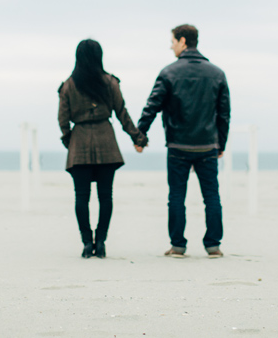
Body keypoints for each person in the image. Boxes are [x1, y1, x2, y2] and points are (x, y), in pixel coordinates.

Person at [136, 24, 230, 258]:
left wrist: (140, 134)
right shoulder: (216, 73)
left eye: (173, 41)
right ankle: (213, 246)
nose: (171, 46)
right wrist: (222, 144)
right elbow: (224, 113)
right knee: (212, 196)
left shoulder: (169, 72)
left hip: (178, 145)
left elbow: (152, 106)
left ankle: (178, 246)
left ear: (183, 41)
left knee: (177, 196)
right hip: (208, 144)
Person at [58, 39, 147, 258]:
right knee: (106, 196)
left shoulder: (68, 85)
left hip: (79, 142)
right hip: (106, 141)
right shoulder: (110, 82)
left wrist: (70, 140)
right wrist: (138, 138)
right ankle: (102, 241)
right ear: (100, 57)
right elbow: (122, 113)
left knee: (81, 197)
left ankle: (87, 242)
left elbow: (63, 119)